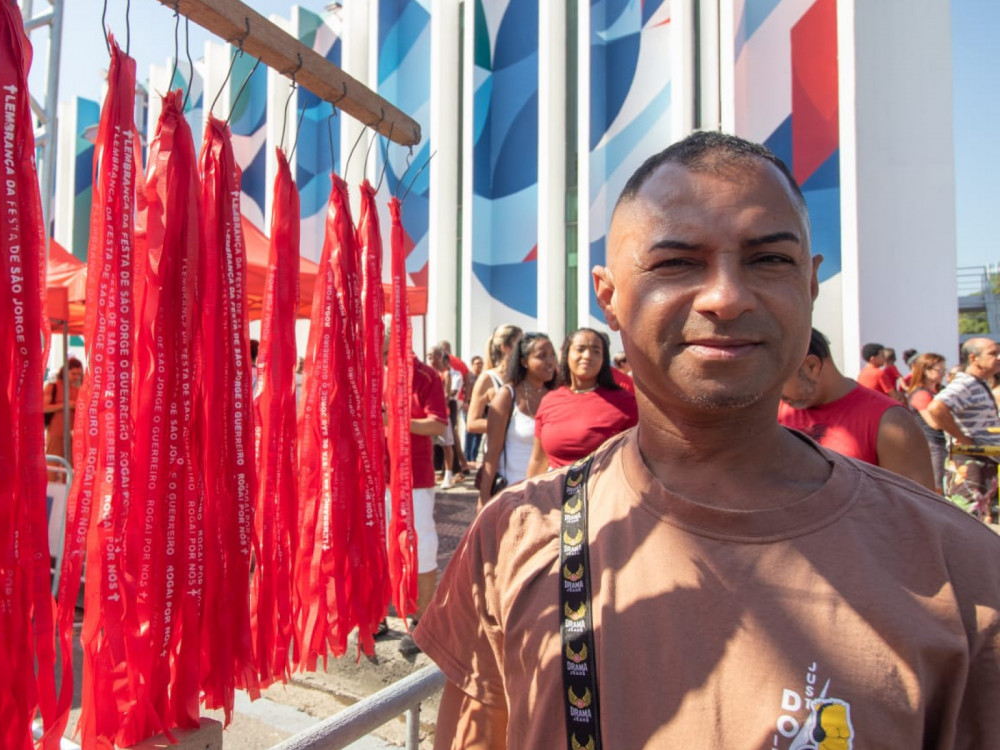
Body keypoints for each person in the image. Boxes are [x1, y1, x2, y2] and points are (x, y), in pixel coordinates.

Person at [415, 131, 1000, 749]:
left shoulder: (961, 571)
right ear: (608, 298)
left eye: (769, 260)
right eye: (677, 263)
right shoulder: (515, 538)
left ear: (810, 282)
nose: (727, 297)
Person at [777, 328, 934, 490]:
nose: (768, 391)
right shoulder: (775, 412)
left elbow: (916, 509)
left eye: (776, 380)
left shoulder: (891, 421)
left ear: (811, 367)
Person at [384, 332, 449, 656]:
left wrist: (395, 422)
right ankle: (377, 615)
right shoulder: (369, 370)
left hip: (414, 479)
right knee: (379, 547)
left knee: (421, 547)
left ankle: (422, 618)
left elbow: (437, 424)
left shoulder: (424, 376)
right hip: (375, 477)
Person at [527, 328, 637, 475]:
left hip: (602, 492)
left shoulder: (625, 403)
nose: (587, 356)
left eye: (596, 351)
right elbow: (538, 459)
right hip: (553, 492)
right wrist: (527, 494)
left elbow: (639, 461)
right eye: (580, 349)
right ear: (566, 355)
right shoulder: (549, 400)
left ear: (604, 359)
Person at [475, 332, 557, 507]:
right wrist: (484, 497)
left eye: (552, 355)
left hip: (549, 494)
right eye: (542, 356)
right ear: (524, 361)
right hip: (512, 494)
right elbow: (492, 451)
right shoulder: (507, 395)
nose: (550, 361)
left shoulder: (557, 396)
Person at [926, 337, 1000, 522]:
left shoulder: (977, 383)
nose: (998, 357)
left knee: (976, 520)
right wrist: (961, 437)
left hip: (981, 460)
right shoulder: (966, 383)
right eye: (993, 354)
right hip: (969, 462)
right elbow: (936, 408)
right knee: (967, 521)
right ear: (974, 358)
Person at [465, 324, 523, 436]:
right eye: (519, 343)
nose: (524, 348)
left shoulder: (525, 376)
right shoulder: (487, 379)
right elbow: (472, 423)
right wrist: (509, 425)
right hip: (499, 450)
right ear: (504, 347)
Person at [906, 352, 949, 493]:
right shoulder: (921, 394)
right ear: (925, 370)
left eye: (944, 370)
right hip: (933, 445)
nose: (942, 374)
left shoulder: (936, 391)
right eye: (939, 370)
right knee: (936, 486)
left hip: (938, 444)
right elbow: (934, 423)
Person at [429, 347, 467, 487]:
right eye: (428, 356)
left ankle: (449, 475)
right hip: (429, 413)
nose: (429, 359)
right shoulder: (428, 372)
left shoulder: (446, 374)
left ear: (439, 356)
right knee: (431, 445)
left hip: (442, 412)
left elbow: (446, 395)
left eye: (431, 356)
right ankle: (434, 473)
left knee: (446, 444)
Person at [43, 357, 83, 460]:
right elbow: (44, 408)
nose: (76, 377)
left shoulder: (78, 390)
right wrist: (65, 405)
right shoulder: (53, 387)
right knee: (54, 461)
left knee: (73, 463)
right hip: (56, 432)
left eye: (79, 374)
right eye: (73, 374)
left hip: (74, 433)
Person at [464, 356, 485, 463]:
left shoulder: (484, 378)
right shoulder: (469, 377)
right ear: (472, 365)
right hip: (469, 406)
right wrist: (466, 403)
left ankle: (473, 457)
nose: (479, 366)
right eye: (477, 363)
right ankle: (467, 457)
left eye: (481, 363)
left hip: (482, 407)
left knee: (478, 434)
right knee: (469, 432)